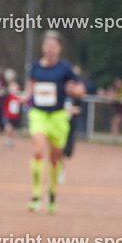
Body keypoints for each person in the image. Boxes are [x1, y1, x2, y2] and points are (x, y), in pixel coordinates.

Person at [24, 31, 84, 214]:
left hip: (58, 116)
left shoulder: (65, 69)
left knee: (55, 158)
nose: (50, 49)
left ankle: (52, 192)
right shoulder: (34, 67)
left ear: (59, 48)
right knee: (38, 151)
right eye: (47, 45)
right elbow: (30, 88)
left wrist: (74, 90)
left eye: (53, 46)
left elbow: (80, 89)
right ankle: (36, 195)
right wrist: (24, 97)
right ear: (43, 47)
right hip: (39, 114)